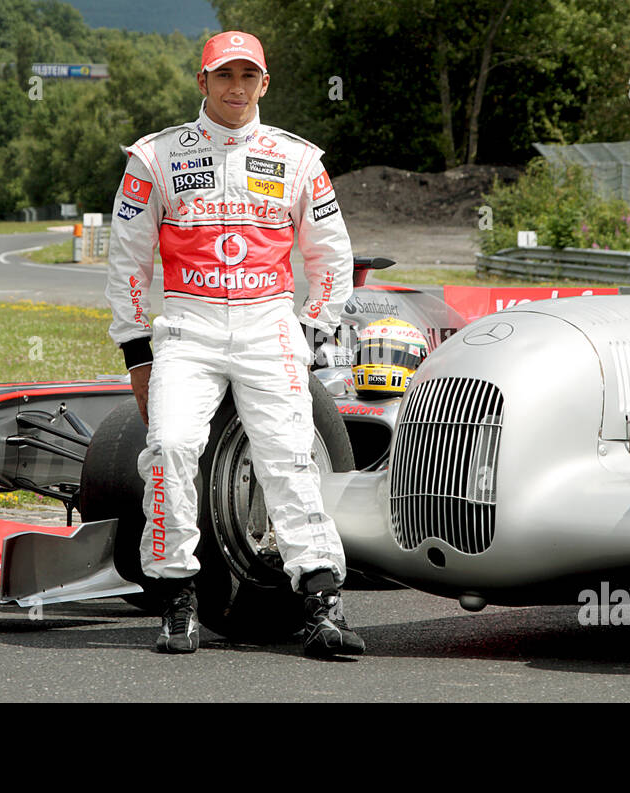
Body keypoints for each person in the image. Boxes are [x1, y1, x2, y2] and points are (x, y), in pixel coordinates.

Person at [105, 31, 365, 657]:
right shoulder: (154, 159)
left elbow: (331, 255)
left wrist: (309, 330)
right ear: (202, 82)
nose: (236, 87)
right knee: (169, 446)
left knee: (289, 456)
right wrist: (137, 351)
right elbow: (128, 264)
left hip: (268, 322)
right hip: (187, 326)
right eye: (224, 76)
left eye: (249, 76)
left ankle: (320, 606)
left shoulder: (299, 159)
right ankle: (176, 598)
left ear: (264, 84)